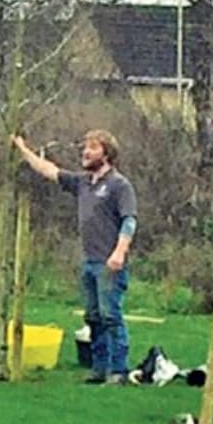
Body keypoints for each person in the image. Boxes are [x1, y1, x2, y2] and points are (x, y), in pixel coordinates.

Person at [13, 129, 139, 386]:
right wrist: (23, 149)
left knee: (111, 316)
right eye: (85, 147)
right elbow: (49, 170)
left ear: (106, 154)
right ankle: (99, 369)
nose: (85, 152)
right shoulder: (82, 182)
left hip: (109, 264)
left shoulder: (119, 185)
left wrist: (119, 252)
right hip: (89, 262)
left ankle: (119, 371)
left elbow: (129, 220)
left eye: (92, 148)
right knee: (93, 317)